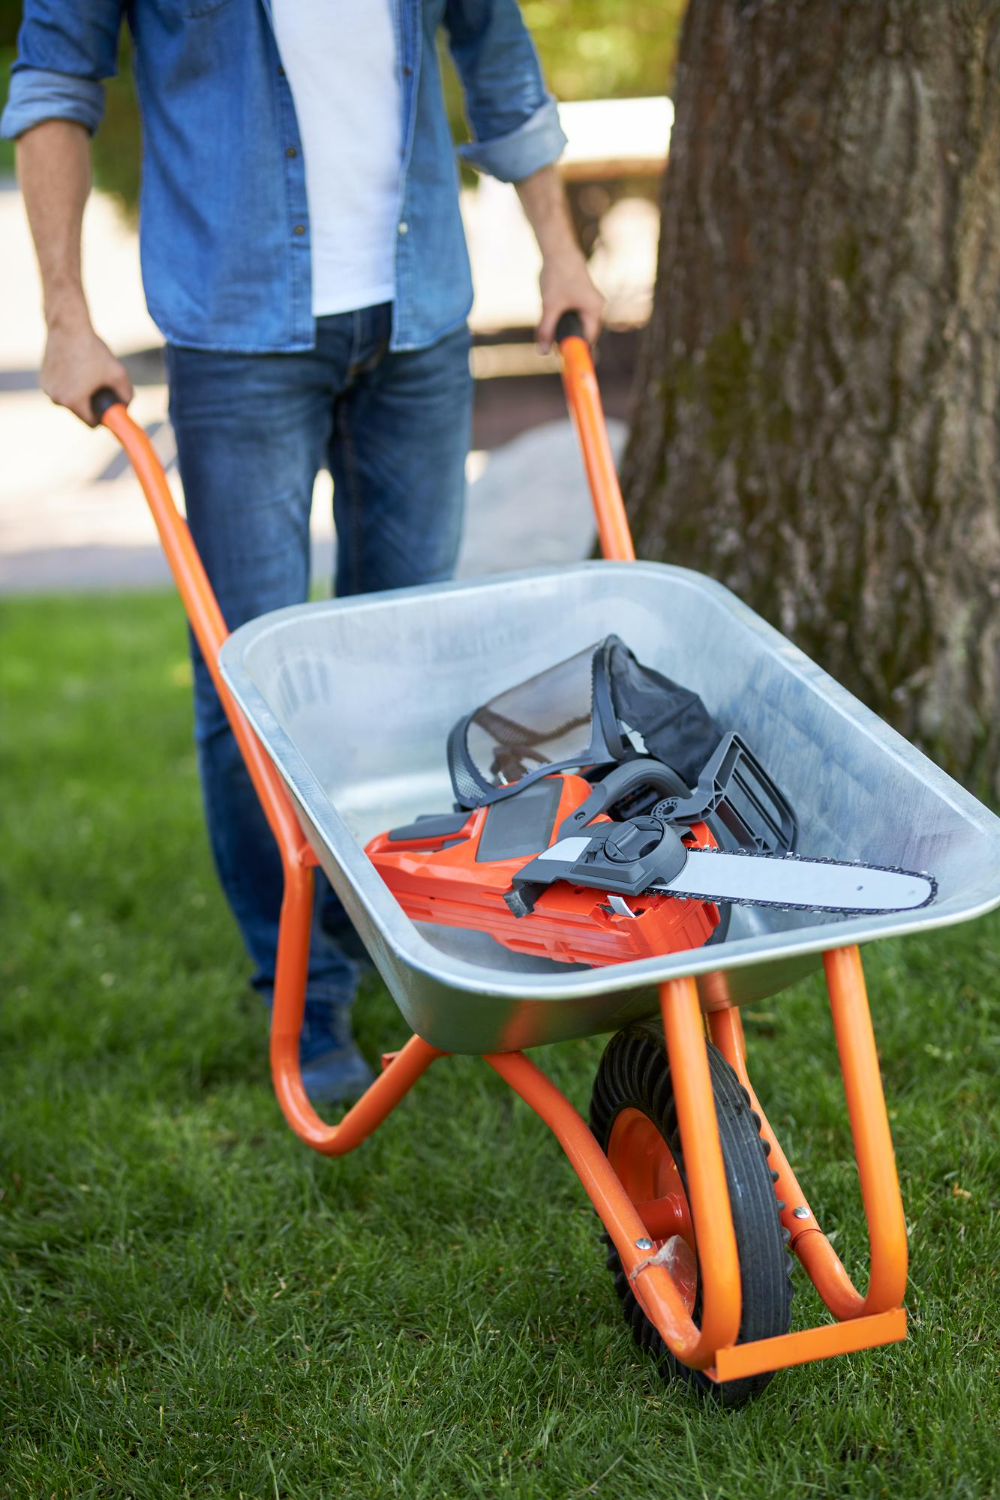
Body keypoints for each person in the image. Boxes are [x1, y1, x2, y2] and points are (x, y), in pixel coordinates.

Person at [3, 1, 604, 1104]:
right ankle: (302, 981)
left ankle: (392, 923)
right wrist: (62, 315)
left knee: (411, 663)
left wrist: (559, 253)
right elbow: (53, 81)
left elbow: (495, 47)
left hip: (419, 325)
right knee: (252, 680)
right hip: (235, 337)